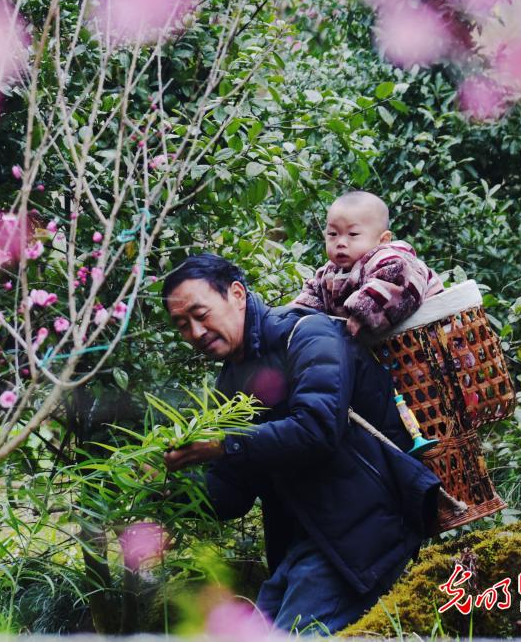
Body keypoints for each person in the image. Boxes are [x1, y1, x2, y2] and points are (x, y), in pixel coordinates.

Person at [162, 253, 440, 634]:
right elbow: (232, 494)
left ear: (237, 294)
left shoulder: (308, 334)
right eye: (182, 325)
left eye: (200, 313)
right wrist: (163, 487)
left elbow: (317, 430)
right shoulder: (229, 384)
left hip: (363, 532)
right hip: (304, 545)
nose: (195, 332)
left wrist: (224, 444)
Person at [293, 191, 443, 338]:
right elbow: (314, 295)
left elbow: (400, 284)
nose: (340, 243)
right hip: (390, 351)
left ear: (383, 240)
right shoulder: (330, 273)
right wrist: (291, 314)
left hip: (432, 337)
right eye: (332, 234)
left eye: (353, 234)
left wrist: (364, 312)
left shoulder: (390, 259)